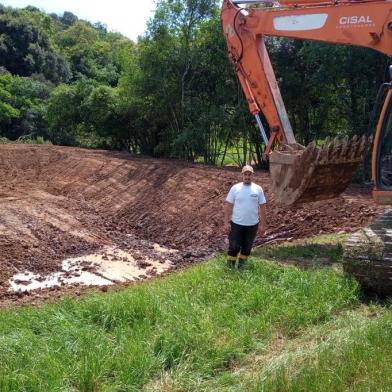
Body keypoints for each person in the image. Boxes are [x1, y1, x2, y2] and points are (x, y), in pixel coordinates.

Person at [224, 164, 267, 269]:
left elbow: (262, 208)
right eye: (245, 174)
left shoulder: (258, 189)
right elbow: (228, 206)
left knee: (247, 248)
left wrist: (263, 225)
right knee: (234, 247)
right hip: (236, 224)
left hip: (252, 225)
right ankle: (230, 270)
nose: (247, 177)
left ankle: (241, 269)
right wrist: (226, 222)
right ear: (242, 175)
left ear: (253, 175)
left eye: (249, 174)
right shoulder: (235, 188)